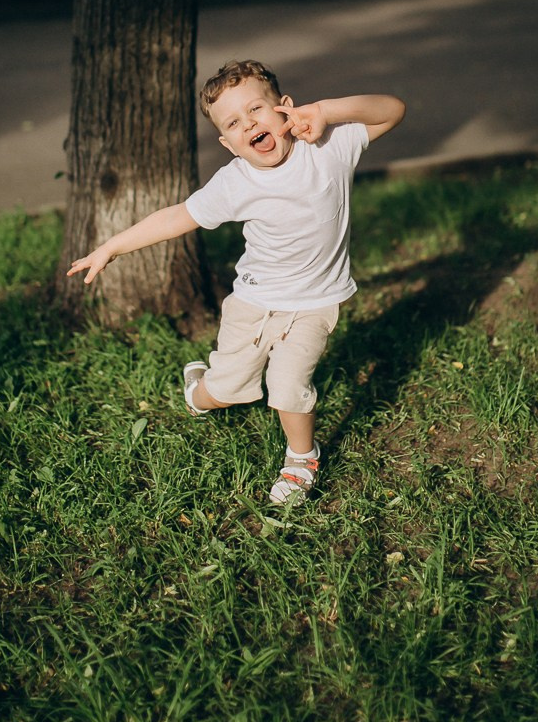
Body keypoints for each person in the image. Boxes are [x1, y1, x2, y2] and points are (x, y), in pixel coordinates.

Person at [67, 59, 405, 505]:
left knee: (288, 383)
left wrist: (326, 109)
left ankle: (302, 458)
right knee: (227, 389)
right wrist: (110, 247)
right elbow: (175, 217)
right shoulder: (235, 182)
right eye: (234, 123)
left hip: (313, 303)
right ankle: (198, 389)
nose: (249, 124)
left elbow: (391, 110)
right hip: (252, 304)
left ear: (285, 109)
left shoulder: (328, 145)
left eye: (256, 110)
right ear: (229, 144)